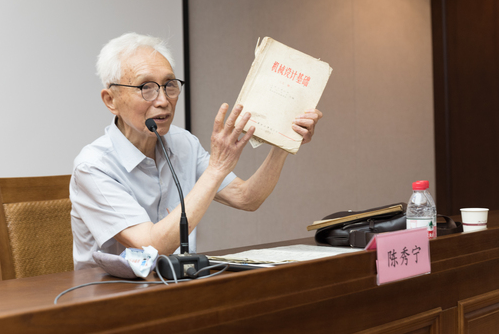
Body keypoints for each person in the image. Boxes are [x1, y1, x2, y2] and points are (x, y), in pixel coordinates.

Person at [70, 33, 322, 269]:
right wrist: (217, 168)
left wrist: (285, 142)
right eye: (146, 87)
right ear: (111, 100)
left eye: (169, 85)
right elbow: (151, 246)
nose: (163, 100)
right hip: (110, 294)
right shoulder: (93, 166)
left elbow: (246, 198)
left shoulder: (183, 143)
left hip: (178, 284)